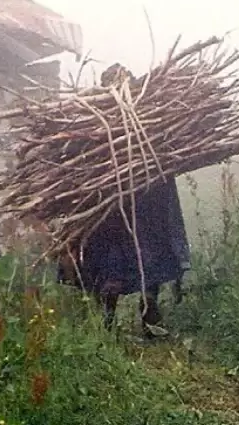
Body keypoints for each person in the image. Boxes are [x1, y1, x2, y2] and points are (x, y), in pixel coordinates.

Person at [56, 63, 192, 332]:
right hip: (114, 209)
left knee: (145, 255)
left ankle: (145, 311)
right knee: (117, 262)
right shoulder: (96, 123)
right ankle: (114, 317)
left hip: (145, 203)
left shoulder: (151, 119)